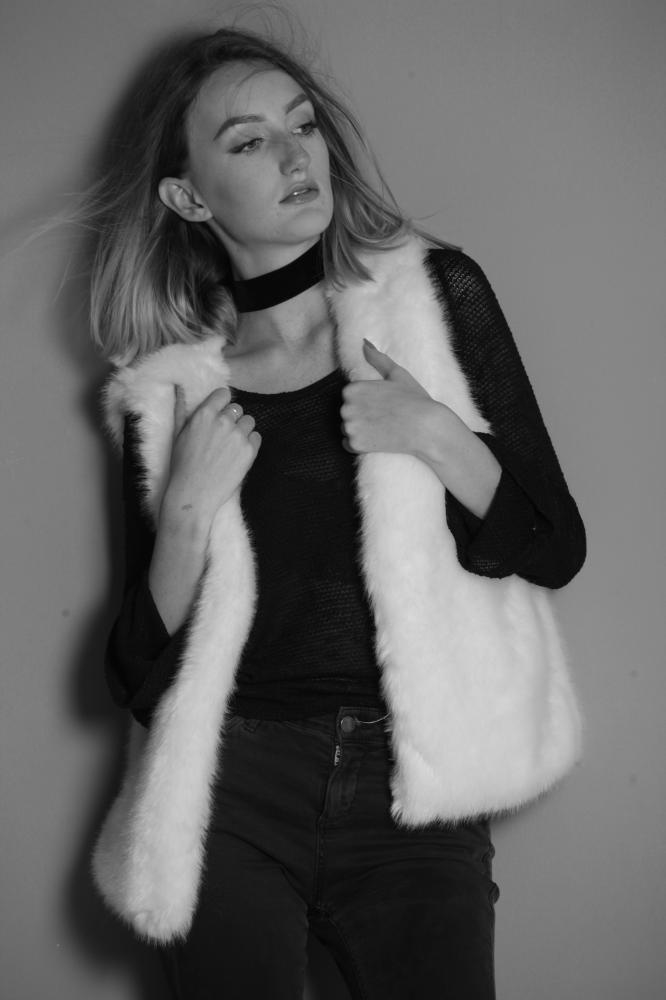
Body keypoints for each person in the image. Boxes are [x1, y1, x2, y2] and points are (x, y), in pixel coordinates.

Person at [88, 25, 586, 1000]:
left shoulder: (433, 299)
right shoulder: (168, 392)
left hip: (411, 788)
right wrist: (185, 509)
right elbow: (135, 674)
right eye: (248, 140)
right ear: (188, 198)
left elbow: (555, 546)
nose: (293, 155)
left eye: (303, 125)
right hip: (232, 789)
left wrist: (436, 433)